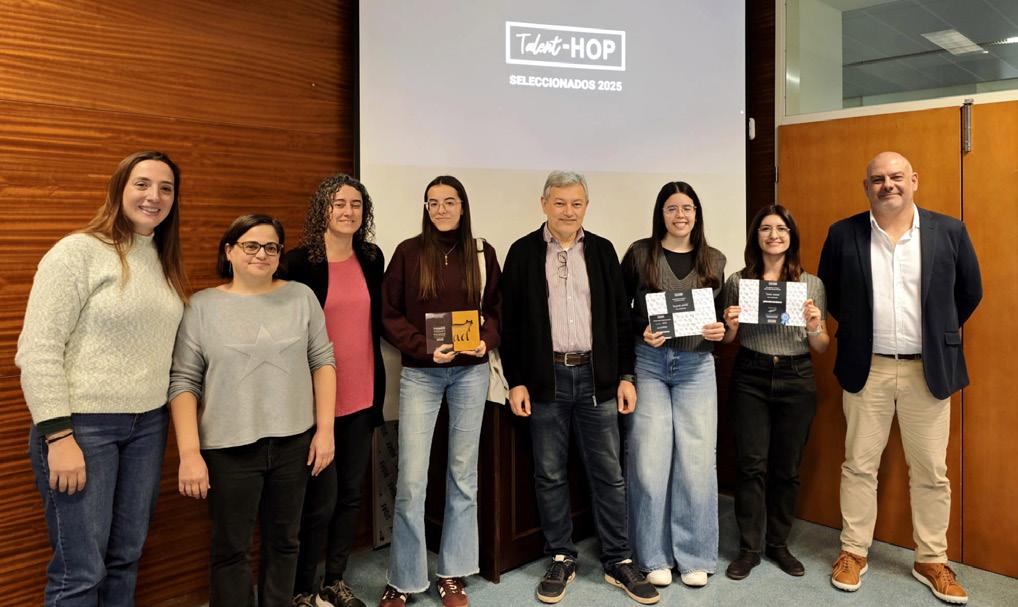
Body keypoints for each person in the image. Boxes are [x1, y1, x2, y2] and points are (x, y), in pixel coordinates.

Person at [16, 151, 188, 606]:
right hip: (82, 428)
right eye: (142, 184)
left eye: (166, 188)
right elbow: (37, 349)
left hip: (148, 426)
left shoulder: (162, 259)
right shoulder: (78, 251)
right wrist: (58, 436)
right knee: (81, 571)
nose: (154, 196)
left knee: (125, 558)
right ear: (119, 189)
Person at [818, 151, 981, 604]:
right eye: (877, 179)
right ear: (866, 187)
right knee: (858, 465)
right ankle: (853, 551)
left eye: (896, 177)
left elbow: (970, 291)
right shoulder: (843, 233)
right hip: (866, 367)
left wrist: (937, 331)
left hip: (928, 370)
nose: (887, 185)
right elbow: (831, 293)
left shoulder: (950, 231)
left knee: (931, 470)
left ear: (914, 180)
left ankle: (931, 559)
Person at [501, 171, 659, 606]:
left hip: (597, 378)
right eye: (559, 203)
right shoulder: (521, 252)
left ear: (586, 206)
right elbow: (511, 324)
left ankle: (618, 559)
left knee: (608, 473)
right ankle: (561, 556)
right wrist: (516, 380)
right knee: (550, 473)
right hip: (545, 379)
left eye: (576, 203)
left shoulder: (603, 251)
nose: (568, 211)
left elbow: (621, 320)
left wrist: (626, 376)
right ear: (543, 204)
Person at [168, 214, 336, 607]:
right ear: (229, 251)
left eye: (271, 247)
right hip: (228, 449)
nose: (261, 254)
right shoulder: (201, 307)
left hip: (294, 444)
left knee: (285, 542)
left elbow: (323, 362)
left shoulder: (301, 297)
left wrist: (325, 430)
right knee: (231, 549)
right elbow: (184, 383)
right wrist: (189, 453)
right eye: (250, 245)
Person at [378, 176, 500, 607]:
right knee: (411, 481)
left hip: (470, 374)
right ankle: (404, 578)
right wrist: (423, 347)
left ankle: (452, 573)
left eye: (450, 201)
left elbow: (496, 311)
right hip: (421, 375)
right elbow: (388, 315)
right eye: (433, 202)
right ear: (426, 208)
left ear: (463, 206)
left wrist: (486, 340)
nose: (441, 209)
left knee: (463, 476)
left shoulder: (482, 253)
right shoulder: (408, 253)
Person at [284, 174, 386, 607]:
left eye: (356, 205)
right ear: (322, 209)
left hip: (362, 395)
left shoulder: (371, 257)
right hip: (314, 403)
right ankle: (303, 589)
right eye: (338, 203)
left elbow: (381, 319)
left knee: (350, 496)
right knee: (317, 502)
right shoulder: (298, 262)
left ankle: (335, 581)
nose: (348, 211)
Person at [620, 181, 726, 589]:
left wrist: (719, 330)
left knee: (696, 461)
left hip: (696, 366)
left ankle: (695, 555)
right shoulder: (639, 254)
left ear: (697, 214)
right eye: (671, 208)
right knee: (649, 460)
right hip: (649, 364)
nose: (680, 215)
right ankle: (653, 556)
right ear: (660, 214)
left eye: (687, 208)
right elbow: (620, 311)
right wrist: (641, 330)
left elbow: (718, 318)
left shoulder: (714, 259)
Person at [720, 205, 829, 580]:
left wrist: (814, 326)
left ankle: (778, 544)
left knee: (787, 467)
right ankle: (749, 548)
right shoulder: (738, 281)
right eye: (765, 229)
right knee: (751, 465)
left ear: (791, 236)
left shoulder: (811, 284)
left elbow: (822, 346)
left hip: (796, 376)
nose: (773, 235)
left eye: (781, 229)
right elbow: (728, 340)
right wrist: (730, 325)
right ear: (756, 237)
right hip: (750, 374)